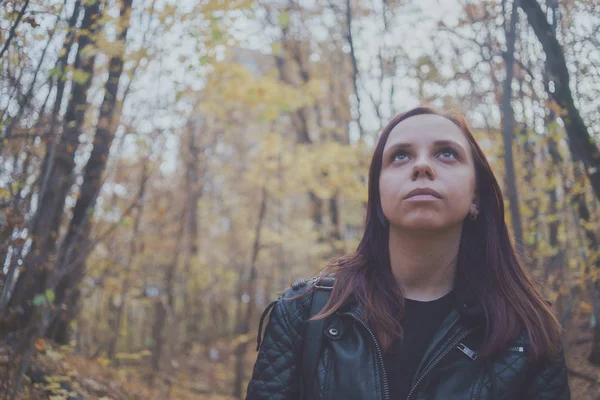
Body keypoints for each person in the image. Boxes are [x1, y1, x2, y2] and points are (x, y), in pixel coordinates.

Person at [245, 106, 570, 400]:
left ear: (476, 196)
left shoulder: (529, 333)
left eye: (446, 154)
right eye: (400, 156)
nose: (422, 166)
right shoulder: (303, 313)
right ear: (379, 196)